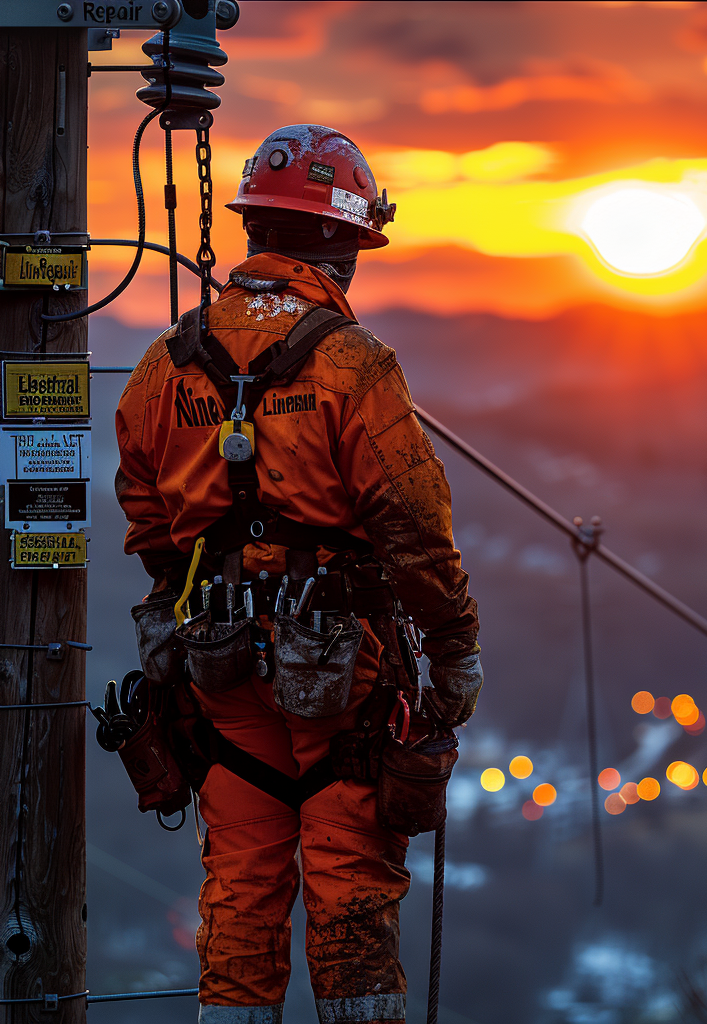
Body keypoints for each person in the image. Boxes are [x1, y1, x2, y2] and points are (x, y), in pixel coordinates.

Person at [114, 124, 482, 1024]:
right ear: (348, 248)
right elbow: (415, 526)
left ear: (254, 234)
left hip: (218, 665)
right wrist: (453, 651)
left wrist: (189, 591)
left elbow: (145, 507)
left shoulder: (166, 362)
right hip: (339, 668)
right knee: (351, 884)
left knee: (240, 883)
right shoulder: (355, 366)